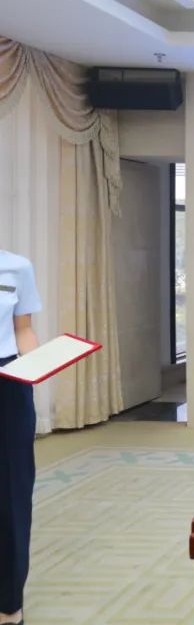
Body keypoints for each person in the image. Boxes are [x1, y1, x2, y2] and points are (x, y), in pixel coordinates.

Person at [1, 250, 41, 625]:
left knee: (12, 492)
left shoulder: (17, 266)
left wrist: (36, 364)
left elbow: (23, 329)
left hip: (8, 383)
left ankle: (9, 603)